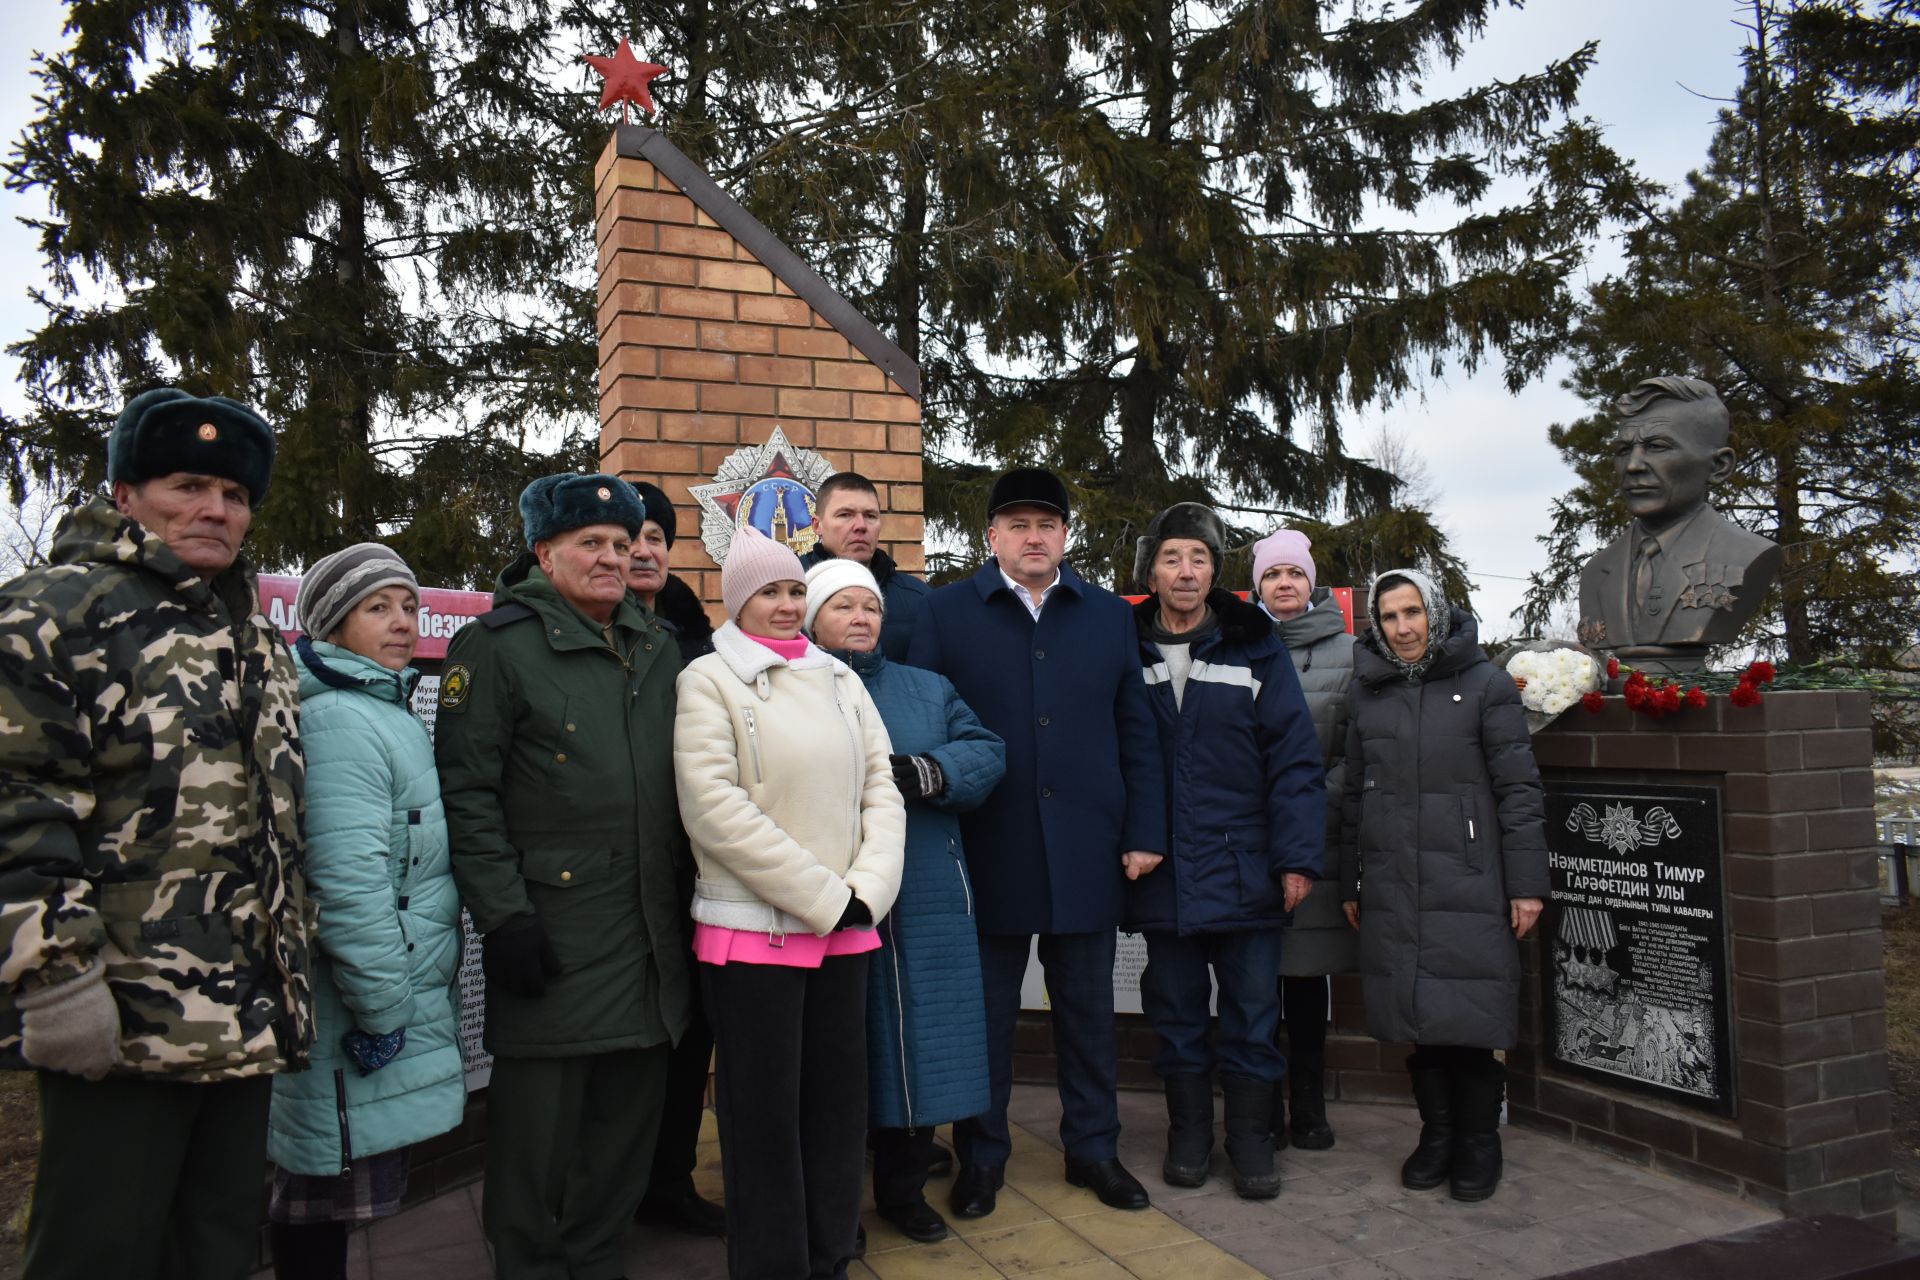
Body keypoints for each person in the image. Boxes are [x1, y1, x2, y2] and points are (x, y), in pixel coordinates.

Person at [0, 387, 314, 1280]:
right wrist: (55, 981)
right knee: (98, 1249)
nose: (215, 509)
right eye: (188, 485)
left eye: (236, 495)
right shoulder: (52, 614)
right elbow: (19, 805)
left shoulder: (254, 639)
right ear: (125, 492)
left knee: (215, 1247)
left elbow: (277, 824)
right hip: (122, 1013)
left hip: (243, 1010)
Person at [435, 473, 692, 1278]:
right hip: (554, 930)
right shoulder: (499, 646)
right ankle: (531, 1264)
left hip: (650, 928)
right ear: (543, 551)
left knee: (625, 1122)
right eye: (592, 543)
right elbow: (467, 794)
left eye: (624, 544)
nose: (613, 558)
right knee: (537, 1134)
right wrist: (504, 917)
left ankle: (594, 1255)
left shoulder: (656, 643)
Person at [908, 467, 1167, 1218]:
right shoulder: (947, 612)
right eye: (1017, 524)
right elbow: (929, 730)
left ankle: (1094, 1150)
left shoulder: (1110, 617)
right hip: (987, 849)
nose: (1032, 537)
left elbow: (1137, 734)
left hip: (1088, 849)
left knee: (1088, 1016)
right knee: (984, 1017)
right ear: (991, 537)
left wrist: (1145, 831)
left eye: (1046, 524)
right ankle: (982, 1158)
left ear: (1065, 535)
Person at [673, 526, 905, 1279]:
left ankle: (831, 1253)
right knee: (763, 1122)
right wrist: (821, 897)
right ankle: (776, 1265)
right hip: (754, 937)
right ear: (738, 602)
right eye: (768, 592)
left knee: (837, 1113)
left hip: (846, 930)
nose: (784, 604)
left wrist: (865, 893)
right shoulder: (707, 680)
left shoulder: (843, 679)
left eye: (794, 591)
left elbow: (881, 789)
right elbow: (714, 807)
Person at [266, 544, 466, 1279]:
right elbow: (347, 890)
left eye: (409, 605)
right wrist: (385, 1012)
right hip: (354, 1015)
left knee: (330, 1201)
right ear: (329, 622)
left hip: (374, 1004)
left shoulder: (376, 704)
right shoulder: (343, 721)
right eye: (377, 607)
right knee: (320, 1197)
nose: (403, 622)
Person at [803, 558, 1005, 1244]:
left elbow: (987, 748)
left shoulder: (926, 688)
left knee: (922, 1044)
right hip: (828, 892)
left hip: (924, 889)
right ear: (811, 616)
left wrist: (933, 770)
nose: (861, 618)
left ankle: (902, 1192)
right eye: (843, 607)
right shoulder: (791, 687)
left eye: (871, 608)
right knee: (838, 1049)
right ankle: (833, 1208)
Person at [1126, 504, 1324, 1199]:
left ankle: (1249, 1141)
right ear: (1151, 568)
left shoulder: (1254, 644)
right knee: (1176, 1014)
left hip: (1246, 869)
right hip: (1164, 874)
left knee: (1250, 1015)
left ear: (1216, 571)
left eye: (1200, 558)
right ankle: (1187, 1136)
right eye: (1173, 557)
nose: (1186, 571)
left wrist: (1297, 857)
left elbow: (1294, 758)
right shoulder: (1125, 644)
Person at [1341, 568, 1548, 1203]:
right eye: (1390, 617)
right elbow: (1353, 792)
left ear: (1435, 612)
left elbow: (1518, 791)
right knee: (1419, 1017)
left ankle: (1479, 1142)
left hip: (1471, 878)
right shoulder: (1368, 691)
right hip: (1394, 878)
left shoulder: (1485, 684)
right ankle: (1437, 1136)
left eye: (1413, 613)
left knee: (1471, 1017)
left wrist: (1526, 885)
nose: (1403, 628)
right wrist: (1354, 878)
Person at [623, 480, 724, 1238]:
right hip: (612, 879)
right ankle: (606, 1196)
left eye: (657, 535)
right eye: (629, 537)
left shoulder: (701, 641)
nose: (644, 549)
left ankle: (670, 1180)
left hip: (693, 875)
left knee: (689, 1038)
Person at [1251, 529, 1357, 1150]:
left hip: (1315, 836)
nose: (1284, 584)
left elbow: (1357, 748)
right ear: (1257, 585)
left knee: (1307, 983)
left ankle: (1310, 1106)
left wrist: (1307, 803)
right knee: (1253, 981)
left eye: (1294, 573)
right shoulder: (1239, 645)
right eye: (1271, 575)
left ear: (1312, 582)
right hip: (1250, 837)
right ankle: (1260, 1103)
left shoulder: (1349, 651)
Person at [1576, 376, 1782, 659]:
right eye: (1624, 451)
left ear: (1719, 466)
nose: (1633, 466)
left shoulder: (1747, 554)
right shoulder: (1596, 572)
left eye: (1658, 447)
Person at [799, 471, 931, 661]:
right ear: (817, 525)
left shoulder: (919, 599)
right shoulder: (788, 590)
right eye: (845, 515)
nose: (860, 525)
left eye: (870, 516)